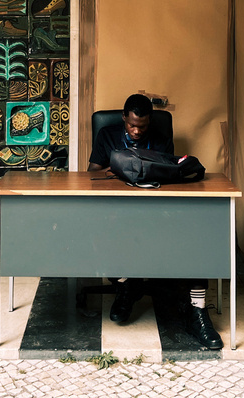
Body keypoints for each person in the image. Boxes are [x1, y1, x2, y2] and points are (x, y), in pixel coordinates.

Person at [87, 93, 223, 350]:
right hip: (118, 208)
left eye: (143, 126)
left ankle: (198, 311)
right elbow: (91, 173)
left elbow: (168, 175)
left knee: (197, 230)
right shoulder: (107, 133)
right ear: (124, 118)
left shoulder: (160, 137)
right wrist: (114, 169)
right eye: (132, 125)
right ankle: (127, 284)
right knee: (103, 230)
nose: (137, 131)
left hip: (154, 207)